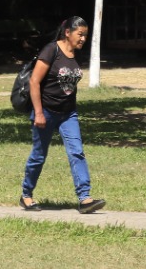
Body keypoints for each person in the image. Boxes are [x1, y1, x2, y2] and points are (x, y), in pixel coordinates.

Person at [19, 16, 105, 214]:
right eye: (80, 34)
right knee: (39, 156)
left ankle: (85, 199)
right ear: (68, 32)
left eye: (85, 35)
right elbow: (34, 82)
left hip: (68, 114)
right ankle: (26, 195)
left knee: (77, 152)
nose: (83, 39)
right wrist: (38, 113)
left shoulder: (77, 54)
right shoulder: (51, 50)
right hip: (45, 112)